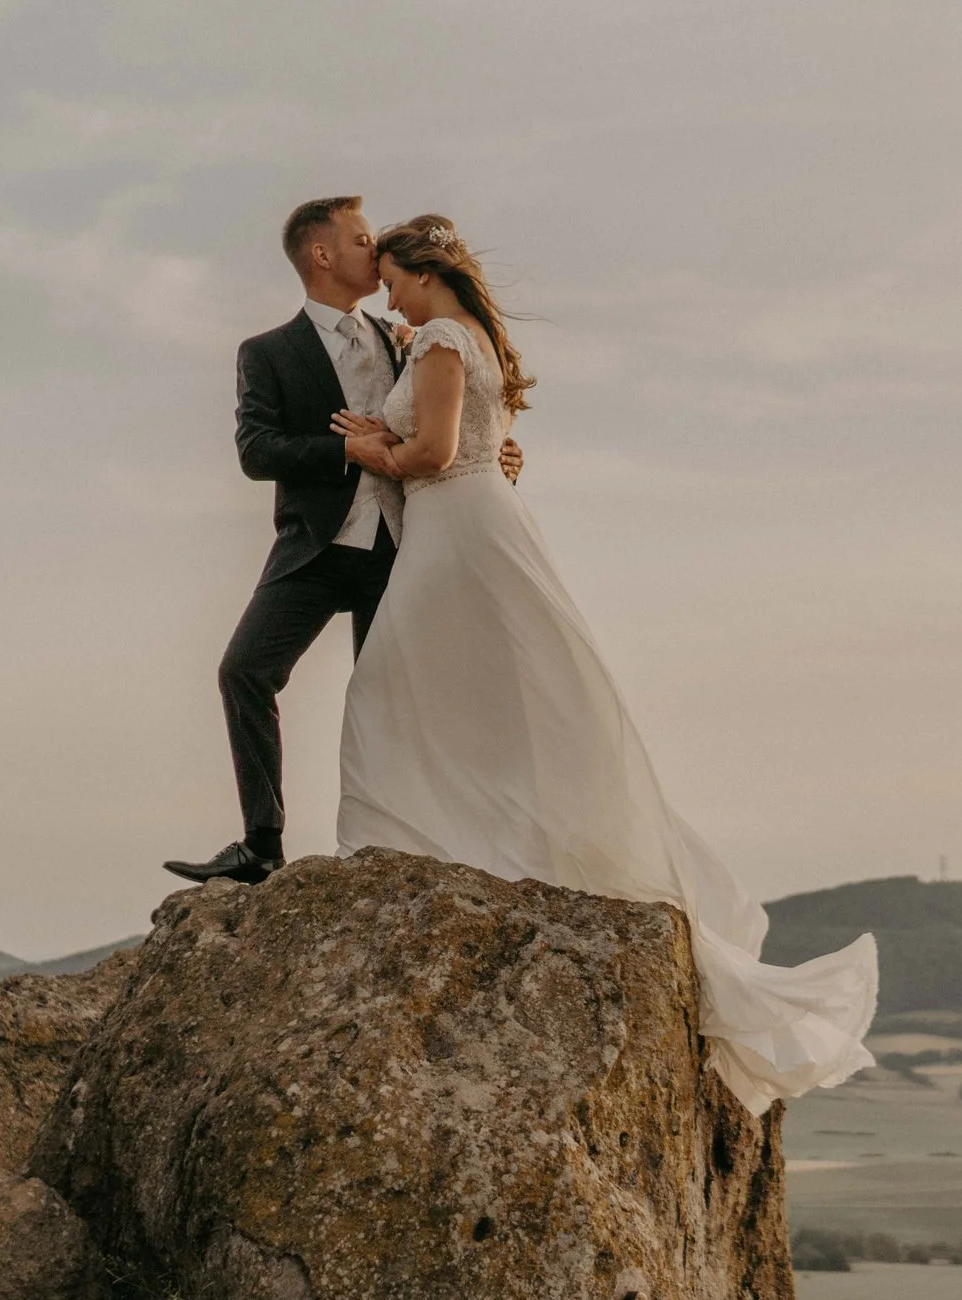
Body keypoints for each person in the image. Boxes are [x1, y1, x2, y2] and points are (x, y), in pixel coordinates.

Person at [330, 215, 877, 1111]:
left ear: (423, 275)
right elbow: (471, 439)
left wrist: (362, 446)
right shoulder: (470, 340)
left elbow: (428, 453)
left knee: (394, 686)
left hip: (454, 532)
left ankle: (430, 839)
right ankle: (467, 838)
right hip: (478, 524)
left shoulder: (433, 335)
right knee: (501, 698)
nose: (386, 294)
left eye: (392, 277)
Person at [166, 197, 519, 887]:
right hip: (317, 546)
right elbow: (256, 450)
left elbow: (458, 412)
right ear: (323, 255)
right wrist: (347, 452)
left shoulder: (409, 335)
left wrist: (499, 451)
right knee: (244, 669)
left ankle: (413, 839)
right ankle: (261, 845)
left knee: (395, 695)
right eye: (362, 238)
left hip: (404, 548)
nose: (375, 246)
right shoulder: (267, 352)